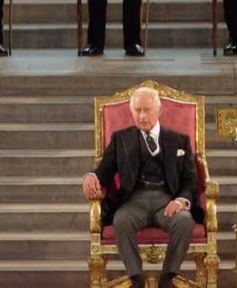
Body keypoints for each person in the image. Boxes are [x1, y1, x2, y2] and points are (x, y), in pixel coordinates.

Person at [81, 87, 200, 288]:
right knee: (121, 220)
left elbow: (191, 179)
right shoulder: (121, 139)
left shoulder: (179, 140)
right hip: (134, 200)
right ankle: (136, 278)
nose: (142, 116)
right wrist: (90, 176)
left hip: (167, 199)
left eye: (147, 110)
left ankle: (167, 277)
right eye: (137, 110)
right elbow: (105, 168)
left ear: (159, 111)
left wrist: (180, 200)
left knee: (185, 221)